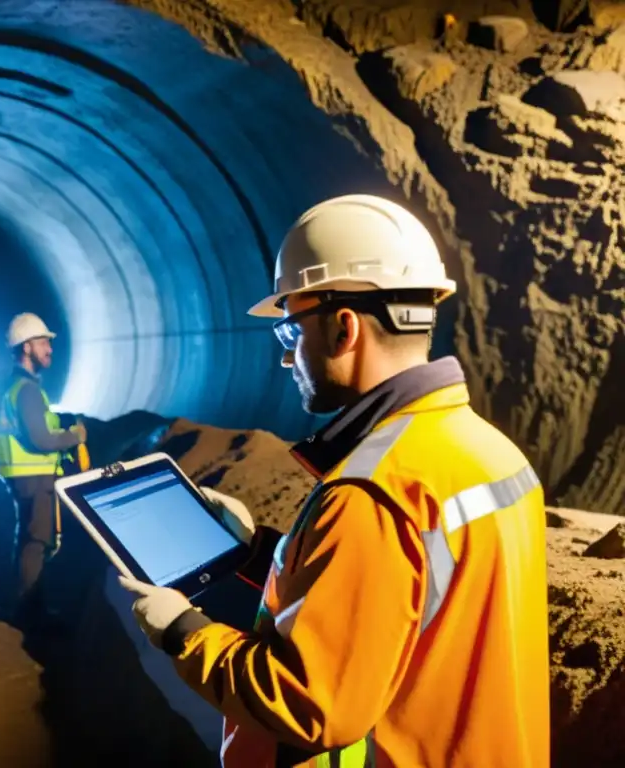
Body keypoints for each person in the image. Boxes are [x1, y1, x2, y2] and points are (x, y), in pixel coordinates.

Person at [120, 194, 549, 767]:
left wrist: (182, 631)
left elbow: (309, 704)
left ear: (343, 328)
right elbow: (398, 600)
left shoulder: (373, 490)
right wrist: (257, 554)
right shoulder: (487, 453)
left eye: (289, 333)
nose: (286, 359)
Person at [0, 312, 86, 626]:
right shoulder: (28, 390)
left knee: (30, 540)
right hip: (34, 477)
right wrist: (74, 436)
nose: (49, 348)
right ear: (26, 347)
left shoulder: (15, 387)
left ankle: (27, 606)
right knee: (37, 543)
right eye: (43, 342)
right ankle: (26, 612)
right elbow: (41, 439)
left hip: (22, 475)